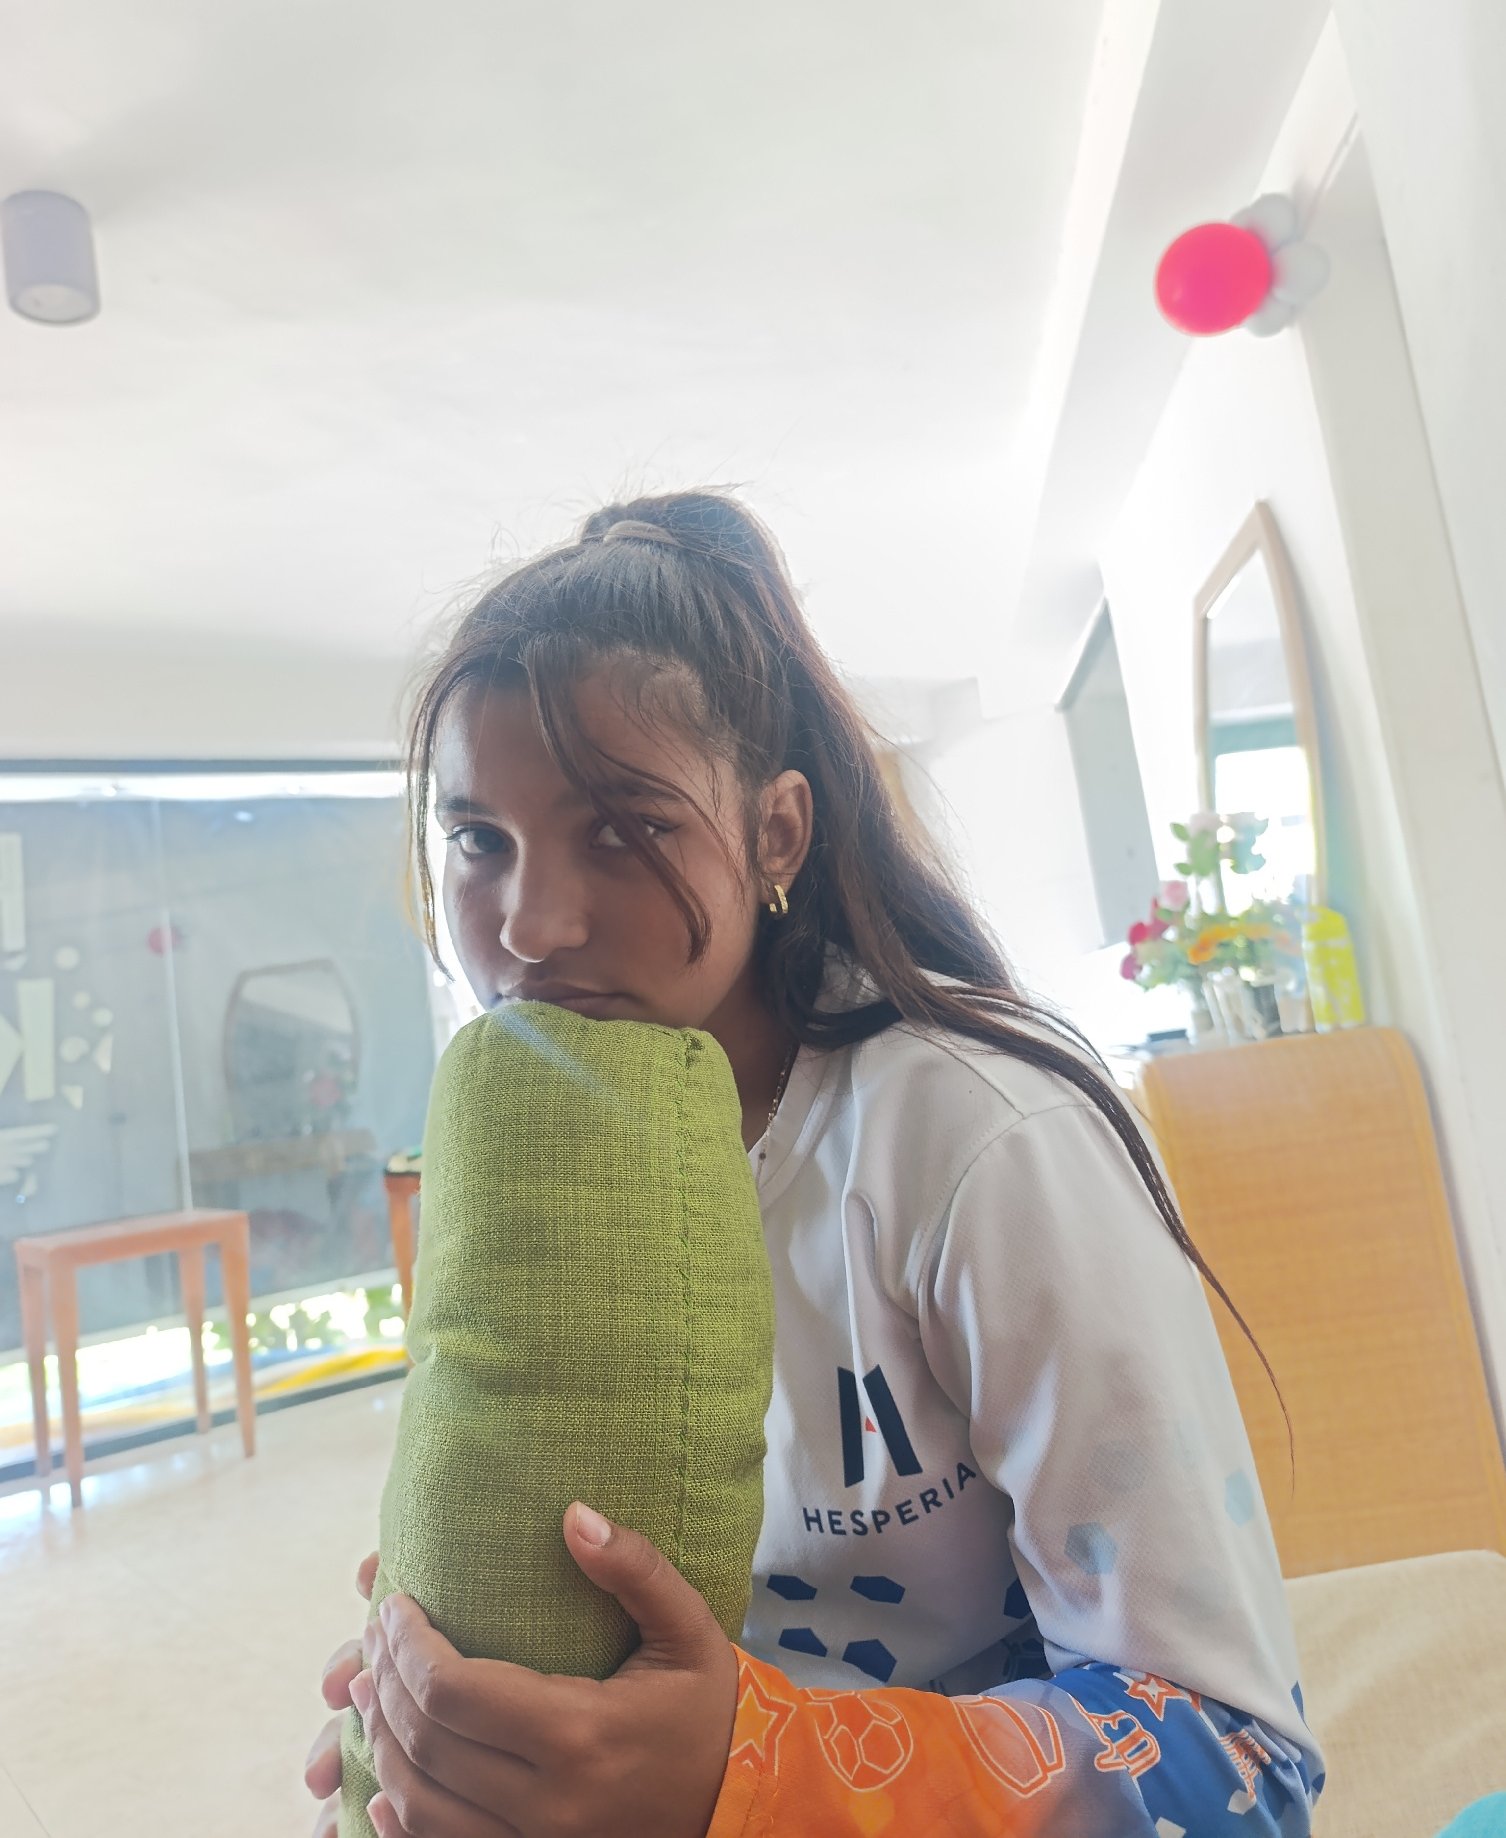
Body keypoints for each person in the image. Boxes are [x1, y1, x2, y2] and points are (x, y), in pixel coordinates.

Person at [304, 491, 1323, 1837]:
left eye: (623, 828)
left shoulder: (980, 1144)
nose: (531, 925)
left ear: (774, 834)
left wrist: (751, 1769)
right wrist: (456, 1712)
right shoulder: (532, 1171)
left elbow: (1243, 1767)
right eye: (478, 839)